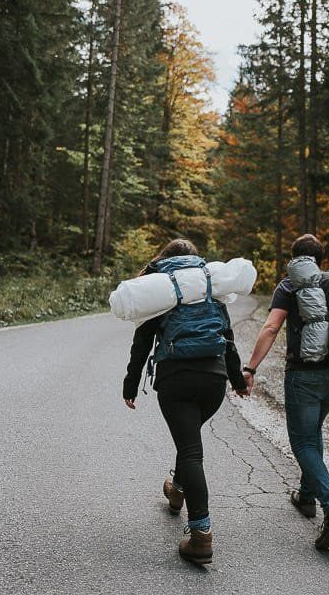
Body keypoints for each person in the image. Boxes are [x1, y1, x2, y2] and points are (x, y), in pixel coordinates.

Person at [122, 238, 249, 565]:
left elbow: (142, 343)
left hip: (177, 381)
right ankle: (177, 490)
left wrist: (131, 384)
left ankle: (201, 535)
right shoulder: (208, 286)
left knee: (191, 450)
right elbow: (228, 338)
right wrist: (237, 381)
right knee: (189, 440)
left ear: (165, 259)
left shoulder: (161, 290)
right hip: (214, 381)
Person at [241, 234, 329, 550]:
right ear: (320, 260)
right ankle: (306, 496)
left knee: (303, 441)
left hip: (304, 376)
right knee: (313, 433)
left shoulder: (289, 286)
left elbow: (271, 327)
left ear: (295, 259)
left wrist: (250, 368)